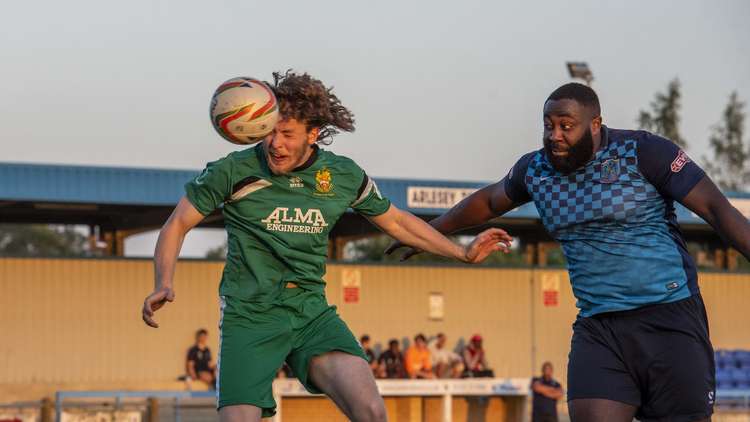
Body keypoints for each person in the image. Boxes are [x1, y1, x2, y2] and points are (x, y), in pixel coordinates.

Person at [140, 70, 512, 422]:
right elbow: (178, 224)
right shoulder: (231, 171)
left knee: (371, 411)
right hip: (249, 317)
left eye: (287, 133)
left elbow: (397, 222)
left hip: (310, 315)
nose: (275, 143)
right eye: (270, 131)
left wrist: (462, 253)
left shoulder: (342, 175)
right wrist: (164, 281)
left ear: (313, 133)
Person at [387, 82, 750, 421]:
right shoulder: (536, 170)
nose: (554, 135)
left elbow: (718, 210)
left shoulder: (643, 152)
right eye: (548, 125)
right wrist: (428, 232)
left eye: (566, 125)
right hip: (599, 328)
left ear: (595, 124)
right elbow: (489, 200)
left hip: (668, 318)